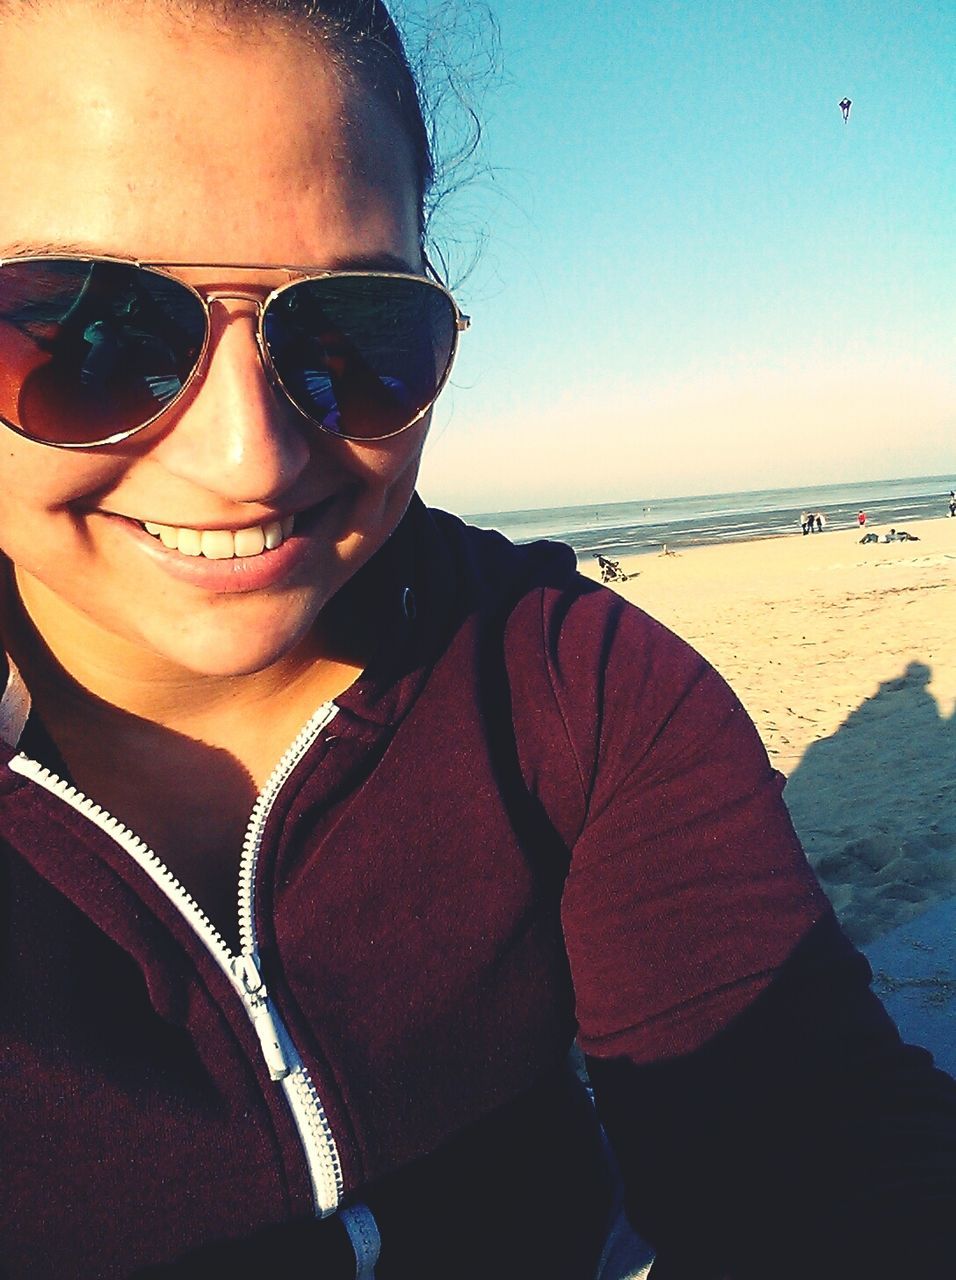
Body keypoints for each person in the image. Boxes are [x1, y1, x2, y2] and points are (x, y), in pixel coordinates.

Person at [0, 4, 954, 1279]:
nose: (249, 459)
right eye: (87, 330)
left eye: (350, 335)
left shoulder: (576, 685)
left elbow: (807, 1145)